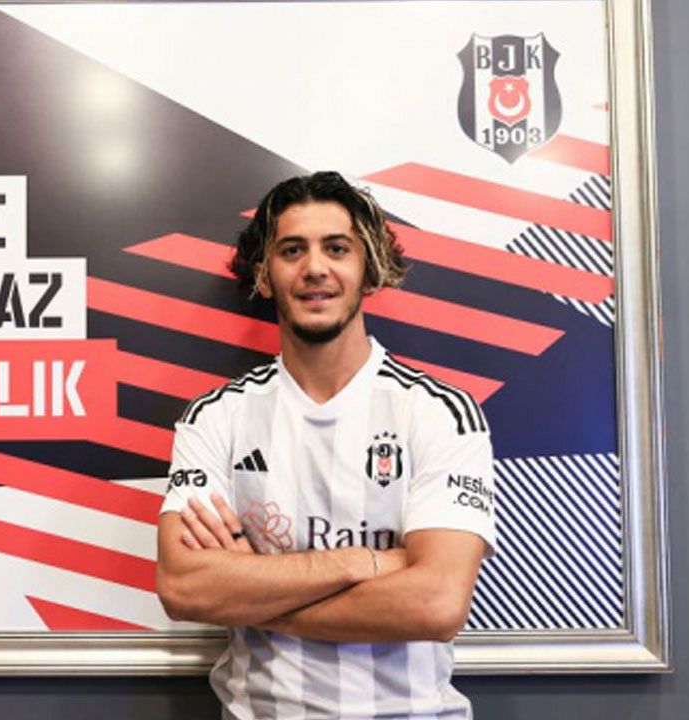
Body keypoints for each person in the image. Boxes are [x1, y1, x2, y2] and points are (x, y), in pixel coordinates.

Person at [156, 172, 496, 719]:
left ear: (369, 268)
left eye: (337, 248)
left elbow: (436, 603)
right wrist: (368, 562)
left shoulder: (439, 412)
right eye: (292, 250)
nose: (315, 268)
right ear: (264, 275)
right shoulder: (216, 417)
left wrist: (251, 593)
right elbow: (184, 588)